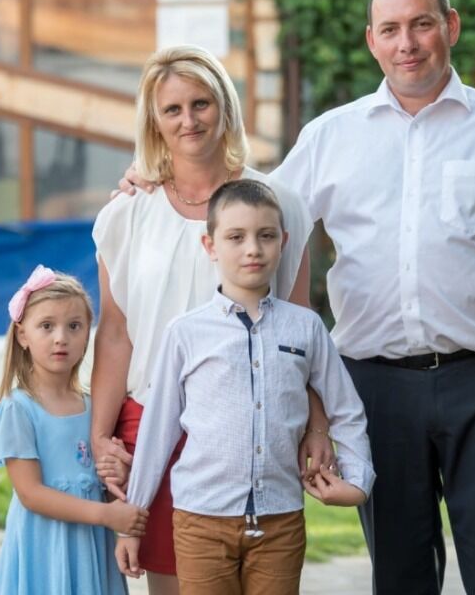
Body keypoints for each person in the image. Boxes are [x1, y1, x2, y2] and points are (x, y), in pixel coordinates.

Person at [118, 0, 475, 593]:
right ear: (371, 40)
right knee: (399, 576)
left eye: (421, 24)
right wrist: (158, 177)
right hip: (375, 392)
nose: (406, 43)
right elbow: (244, 210)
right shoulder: (330, 137)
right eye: (390, 29)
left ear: (450, 27)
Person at [91, 45, 333, 595]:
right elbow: (115, 334)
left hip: (251, 428)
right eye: (172, 109)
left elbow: (302, 329)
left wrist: (317, 424)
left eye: (200, 103)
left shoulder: (278, 202)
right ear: (154, 120)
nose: (189, 120)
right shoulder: (126, 214)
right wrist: (99, 435)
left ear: (225, 106)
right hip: (151, 425)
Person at [114, 179, 375, 595]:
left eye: (265, 236)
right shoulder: (185, 333)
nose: (252, 248)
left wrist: (358, 482)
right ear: (210, 245)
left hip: (280, 521)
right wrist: (133, 523)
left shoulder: (306, 328)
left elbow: (346, 409)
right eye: (236, 237)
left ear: (283, 242)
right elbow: (157, 432)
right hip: (201, 521)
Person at [0, 265, 148, 595]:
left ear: (87, 334)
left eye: (74, 326)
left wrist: (118, 476)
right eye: (46, 326)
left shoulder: (97, 408)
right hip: (44, 547)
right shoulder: (18, 409)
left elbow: (105, 483)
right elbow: (31, 493)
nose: (61, 338)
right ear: (22, 335)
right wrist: (106, 515)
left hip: (90, 548)